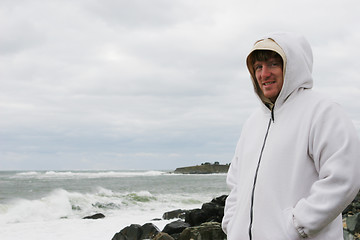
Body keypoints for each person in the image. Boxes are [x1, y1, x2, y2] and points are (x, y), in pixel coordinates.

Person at [222, 32, 360, 240]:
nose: (264, 74)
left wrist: (297, 225)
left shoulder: (322, 111)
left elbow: (344, 176)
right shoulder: (253, 123)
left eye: (273, 64)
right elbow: (236, 185)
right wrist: (232, 225)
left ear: (292, 67)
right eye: (258, 67)